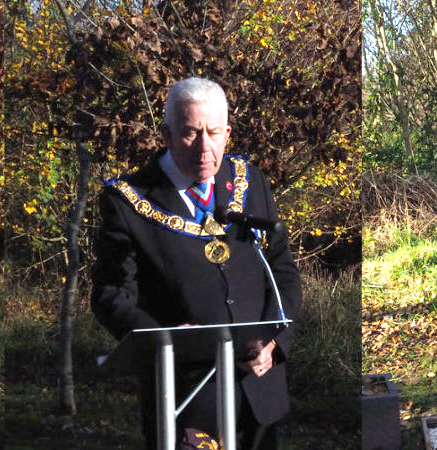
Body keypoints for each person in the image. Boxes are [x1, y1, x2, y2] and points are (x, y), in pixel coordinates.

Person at [91, 77, 302, 449]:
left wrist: (273, 341)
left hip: (259, 388)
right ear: (167, 134)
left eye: (214, 133)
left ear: (227, 132)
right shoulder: (127, 202)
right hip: (185, 391)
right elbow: (110, 295)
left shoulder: (250, 183)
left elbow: (281, 269)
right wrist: (166, 339)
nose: (205, 148)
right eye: (191, 134)